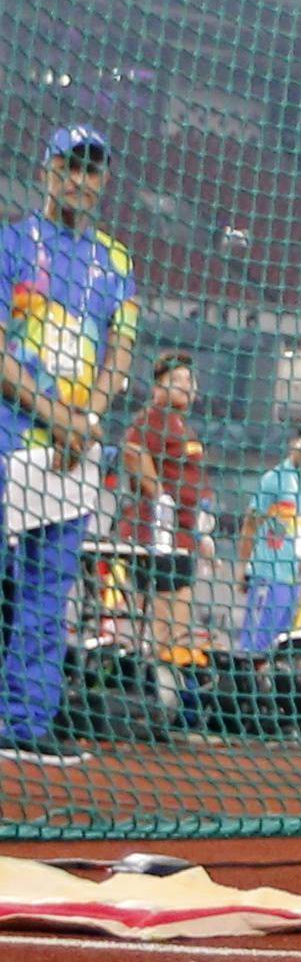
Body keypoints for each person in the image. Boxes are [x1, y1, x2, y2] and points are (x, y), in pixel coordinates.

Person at [1, 127, 136, 765]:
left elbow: (121, 355)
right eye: (71, 167)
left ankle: (26, 722)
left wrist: (85, 421)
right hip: (12, 443)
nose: (82, 181)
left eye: (93, 171)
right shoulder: (11, 243)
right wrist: (59, 417)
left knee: (49, 589)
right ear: (49, 168)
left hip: (73, 454)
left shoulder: (115, 262)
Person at [116, 352, 214, 672]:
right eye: (175, 381)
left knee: (181, 622)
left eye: (189, 380)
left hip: (182, 535)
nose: (185, 387)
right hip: (157, 535)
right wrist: (159, 497)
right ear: (157, 388)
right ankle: (161, 689)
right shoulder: (154, 417)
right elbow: (132, 451)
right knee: (164, 624)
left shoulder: (182, 425)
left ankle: (176, 686)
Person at [235, 426, 301, 658]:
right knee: (255, 643)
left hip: (290, 578)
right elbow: (251, 523)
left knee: (279, 645)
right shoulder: (273, 480)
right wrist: (244, 566)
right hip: (267, 572)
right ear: (296, 444)